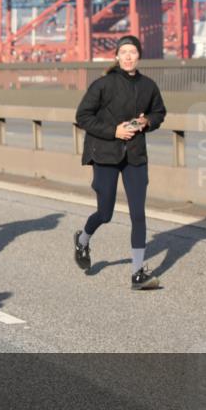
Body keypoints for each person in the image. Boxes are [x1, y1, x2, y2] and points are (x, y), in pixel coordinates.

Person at [74, 35, 166, 290]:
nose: (128, 56)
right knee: (105, 214)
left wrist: (147, 121)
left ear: (139, 56)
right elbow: (82, 116)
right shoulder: (103, 84)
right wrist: (114, 131)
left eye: (132, 52)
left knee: (138, 214)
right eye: (123, 52)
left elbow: (159, 112)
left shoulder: (148, 86)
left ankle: (137, 273)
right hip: (105, 153)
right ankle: (82, 240)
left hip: (135, 155)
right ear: (116, 56)